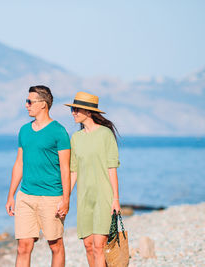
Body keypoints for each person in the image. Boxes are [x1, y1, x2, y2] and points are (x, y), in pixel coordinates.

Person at [5, 85, 71, 267]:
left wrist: (66, 199)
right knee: (23, 247)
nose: (26, 105)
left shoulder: (59, 132)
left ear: (43, 104)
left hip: (51, 197)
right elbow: (19, 163)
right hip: (25, 196)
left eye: (29, 101)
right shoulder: (24, 130)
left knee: (55, 245)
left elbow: (66, 168)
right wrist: (11, 195)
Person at [65, 92, 121, 267]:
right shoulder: (76, 138)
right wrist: (65, 198)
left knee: (99, 246)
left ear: (88, 112)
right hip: (84, 199)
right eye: (72, 109)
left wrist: (116, 199)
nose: (73, 112)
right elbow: (73, 171)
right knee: (88, 246)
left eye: (76, 109)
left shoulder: (105, 134)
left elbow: (112, 168)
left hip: (103, 197)